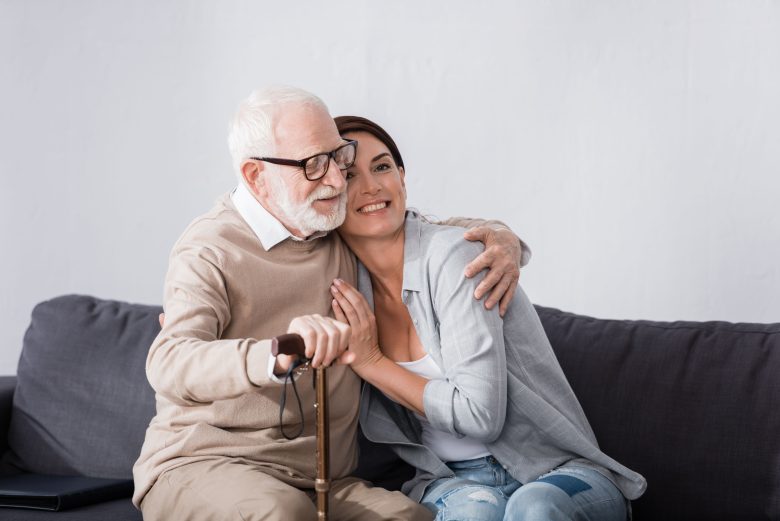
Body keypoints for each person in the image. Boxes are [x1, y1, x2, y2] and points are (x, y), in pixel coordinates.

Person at [132, 87, 527, 521]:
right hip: (204, 466)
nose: (339, 181)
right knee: (279, 514)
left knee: (414, 518)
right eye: (313, 165)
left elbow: (411, 224)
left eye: (337, 156)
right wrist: (278, 351)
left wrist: (498, 235)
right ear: (255, 176)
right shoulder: (209, 249)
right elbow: (169, 361)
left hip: (322, 480)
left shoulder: (327, 220)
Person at [328, 115, 647, 521]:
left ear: (402, 179)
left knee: (534, 507)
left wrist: (372, 363)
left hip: (558, 472)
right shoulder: (343, 287)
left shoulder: (453, 258)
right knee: (476, 512)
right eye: (350, 174)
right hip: (452, 482)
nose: (371, 185)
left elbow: (481, 417)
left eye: (382, 166)